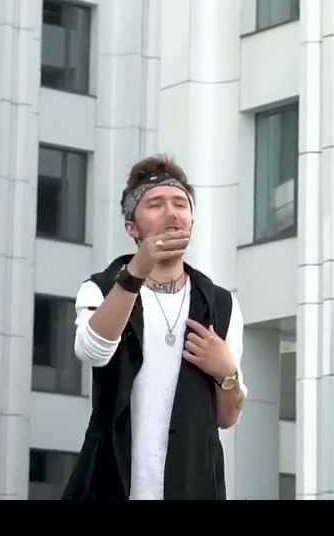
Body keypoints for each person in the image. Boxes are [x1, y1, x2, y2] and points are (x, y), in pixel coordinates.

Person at [61, 154, 248, 501]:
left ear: (192, 220)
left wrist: (227, 373)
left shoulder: (220, 304)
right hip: (112, 485)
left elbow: (226, 418)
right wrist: (137, 271)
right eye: (156, 204)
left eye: (180, 204)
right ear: (132, 227)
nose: (172, 213)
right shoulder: (102, 289)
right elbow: (93, 351)